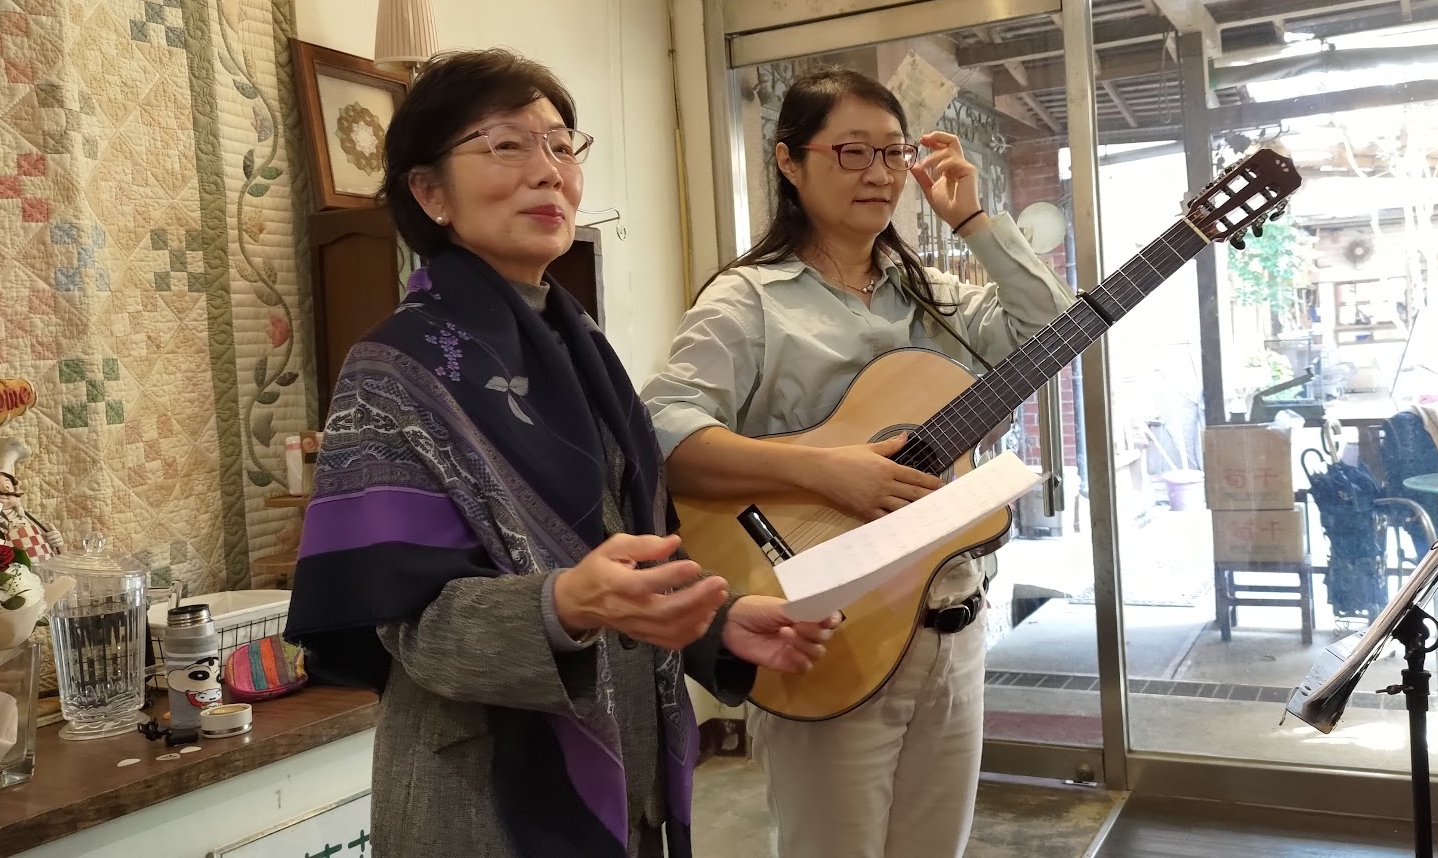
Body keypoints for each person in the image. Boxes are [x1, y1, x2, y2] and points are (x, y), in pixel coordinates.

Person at [283, 49, 834, 858]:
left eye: (560, 145)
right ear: (429, 192)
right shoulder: (393, 373)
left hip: (635, 774)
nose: (548, 172)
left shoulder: (584, 349)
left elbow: (619, 566)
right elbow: (417, 630)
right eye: (506, 145)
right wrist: (565, 605)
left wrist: (714, 624)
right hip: (484, 802)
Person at [639, 67, 1073, 858]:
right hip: (824, 627)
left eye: (891, 152)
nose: (878, 174)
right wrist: (824, 471)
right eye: (850, 152)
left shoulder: (935, 296)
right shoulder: (748, 300)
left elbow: (1051, 333)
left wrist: (976, 219)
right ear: (788, 162)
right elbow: (660, 430)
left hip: (953, 623)